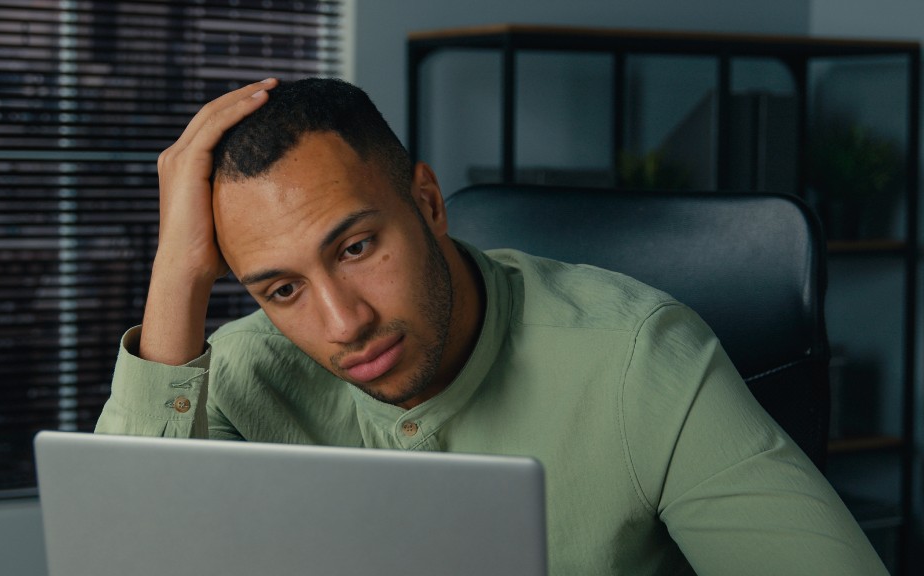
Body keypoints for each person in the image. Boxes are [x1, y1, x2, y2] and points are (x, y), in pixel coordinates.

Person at [96, 77, 887, 575]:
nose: (345, 323)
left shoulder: (638, 359)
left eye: (358, 247)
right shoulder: (232, 379)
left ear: (429, 203)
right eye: (281, 289)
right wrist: (175, 280)